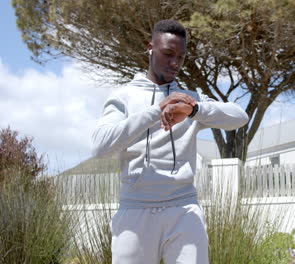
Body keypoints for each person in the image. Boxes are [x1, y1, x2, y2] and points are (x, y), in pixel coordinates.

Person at [91, 19, 249, 264]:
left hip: (184, 210)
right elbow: (100, 147)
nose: (175, 63)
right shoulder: (123, 97)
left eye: (181, 57)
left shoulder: (190, 100)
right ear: (150, 47)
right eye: (168, 54)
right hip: (135, 211)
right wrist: (156, 111)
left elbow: (240, 117)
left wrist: (194, 110)